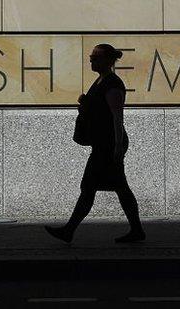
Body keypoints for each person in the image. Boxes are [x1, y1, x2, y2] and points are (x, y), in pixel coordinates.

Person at [44, 43, 145, 243]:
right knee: (114, 187)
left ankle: (70, 230)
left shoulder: (112, 84)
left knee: (95, 187)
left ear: (108, 60)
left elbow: (117, 117)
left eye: (96, 57)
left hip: (108, 145)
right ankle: (136, 230)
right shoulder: (101, 81)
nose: (91, 60)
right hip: (102, 144)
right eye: (91, 57)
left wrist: (117, 147)